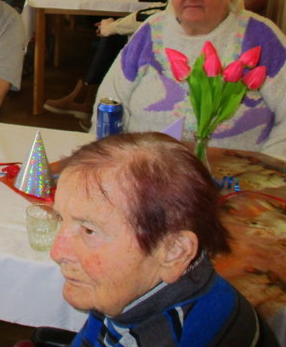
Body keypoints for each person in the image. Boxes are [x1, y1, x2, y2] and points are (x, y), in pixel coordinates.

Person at [52, 132, 275, 346]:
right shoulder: (130, 291)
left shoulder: (171, 336)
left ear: (174, 251)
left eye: (89, 231)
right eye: (61, 218)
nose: (57, 253)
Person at [95, 0, 286, 157]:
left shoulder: (260, 36)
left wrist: (267, 165)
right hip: (145, 167)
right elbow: (111, 98)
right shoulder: (151, 31)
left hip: (237, 173)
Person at [44, 0, 209, 122]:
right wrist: (116, 24)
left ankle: (88, 97)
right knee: (113, 33)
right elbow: (161, 9)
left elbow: (162, 14)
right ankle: (88, 96)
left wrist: (115, 26)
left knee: (113, 36)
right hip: (170, 31)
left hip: (181, 43)